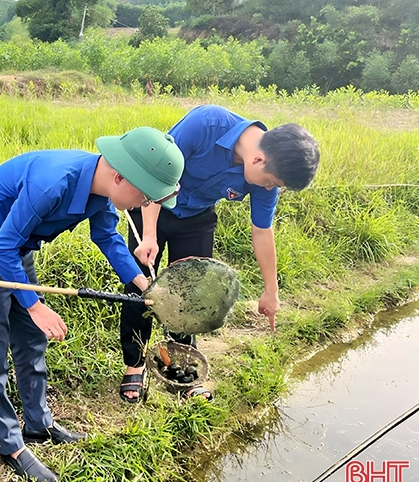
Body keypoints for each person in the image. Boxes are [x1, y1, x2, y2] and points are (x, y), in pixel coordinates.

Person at [0, 127, 184, 482]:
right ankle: (9, 446)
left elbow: (107, 236)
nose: (142, 205)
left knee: (31, 343)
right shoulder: (53, 182)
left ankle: (38, 423)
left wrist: (143, 284)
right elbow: (1, 246)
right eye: (145, 195)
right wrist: (34, 304)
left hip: (17, 251)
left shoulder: (102, 191)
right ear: (122, 176)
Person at [119, 105, 320, 402]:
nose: (268, 188)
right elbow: (156, 175)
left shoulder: (267, 170)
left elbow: (262, 231)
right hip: (152, 203)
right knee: (141, 289)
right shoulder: (205, 125)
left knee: (192, 295)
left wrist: (271, 291)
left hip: (196, 216)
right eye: (270, 182)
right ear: (258, 159)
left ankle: (183, 367)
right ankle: (133, 365)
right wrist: (149, 235)